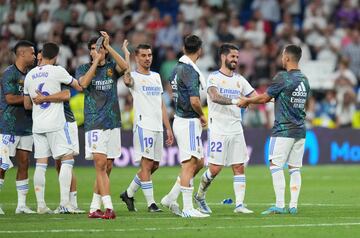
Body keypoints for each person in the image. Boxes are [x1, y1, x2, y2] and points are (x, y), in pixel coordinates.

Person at [238, 44, 311, 215]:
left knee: (275, 165)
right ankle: (293, 205)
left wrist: (246, 101)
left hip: (283, 130)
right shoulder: (304, 80)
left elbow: (265, 97)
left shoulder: (283, 77)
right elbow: (289, 100)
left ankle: (279, 204)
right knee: (294, 168)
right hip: (300, 130)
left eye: (282, 55)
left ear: (286, 58)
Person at [194, 43, 257, 214]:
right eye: (232, 57)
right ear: (223, 57)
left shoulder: (240, 80)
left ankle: (239, 205)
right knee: (215, 168)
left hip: (236, 128)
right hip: (218, 129)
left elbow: (255, 97)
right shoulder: (213, 78)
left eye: (237, 57)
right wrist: (237, 101)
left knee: (239, 166)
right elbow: (214, 97)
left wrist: (268, 99)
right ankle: (200, 195)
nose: (235, 60)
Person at [23, 42, 82, 214]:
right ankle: (65, 202)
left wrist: (40, 100)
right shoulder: (58, 71)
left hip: (38, 124)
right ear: (56, 56)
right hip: (56, 123)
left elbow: (27, 104)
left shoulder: (30, 75)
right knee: (67, 159)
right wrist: (49, 98)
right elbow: (75, 88)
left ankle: (41, 205)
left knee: (40, 163)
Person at [76, 31, 128, 219]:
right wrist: (97, 62)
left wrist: (109, 48)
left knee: (108, 166)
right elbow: (83, 84)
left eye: (98, 48)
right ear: (89, 52)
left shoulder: (112, 67)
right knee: (100, 165)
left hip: (113, 121)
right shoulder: (83, 68)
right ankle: (109, 208)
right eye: (92, 49)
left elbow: (125, 66)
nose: (95, 51)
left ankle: (93, 207)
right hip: (94, 122)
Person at [120, 43, 174, 212]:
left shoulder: (157, 77)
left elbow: (161, 104)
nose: (147, 58)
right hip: (144, 125)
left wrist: (168, 127)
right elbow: (127, 80)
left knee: (154, 165)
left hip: (158, 126)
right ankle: (151, 204)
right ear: (137, 58)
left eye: (149, 55)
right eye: (143, 55)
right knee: (147, 164)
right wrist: (126, 56)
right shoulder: (134, 76)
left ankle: (128, 194)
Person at [161, 35, 209, 218]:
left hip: (182, 119)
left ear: (183, 48)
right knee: (189, 164)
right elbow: (195, 101)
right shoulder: (189, 71)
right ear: (200, 50)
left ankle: (170, 198)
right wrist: (202, 115)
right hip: (188, 120)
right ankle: (188, 208)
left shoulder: (176, 68)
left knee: (199, 162)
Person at [0, 40, 36, 215]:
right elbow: (10, 99)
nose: (35, 56)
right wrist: (32, 98)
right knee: (2, 165)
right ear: (22, 54)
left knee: (24, 163)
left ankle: (21, 205)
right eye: (32, 53)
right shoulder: (9, 74)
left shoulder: (31, 74)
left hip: (27, 125)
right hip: (9, 126)